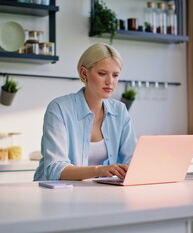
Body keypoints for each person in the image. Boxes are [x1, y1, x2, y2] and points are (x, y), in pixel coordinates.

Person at [34, 43, 137, 181]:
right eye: (102, 74)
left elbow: (132, 161)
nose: (110, 82)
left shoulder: (120, 110)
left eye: (115, 75)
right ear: (84, 73)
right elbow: (55, 169)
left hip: (94, 192)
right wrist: (99, 170)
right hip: (55, 193)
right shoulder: (59, 108)